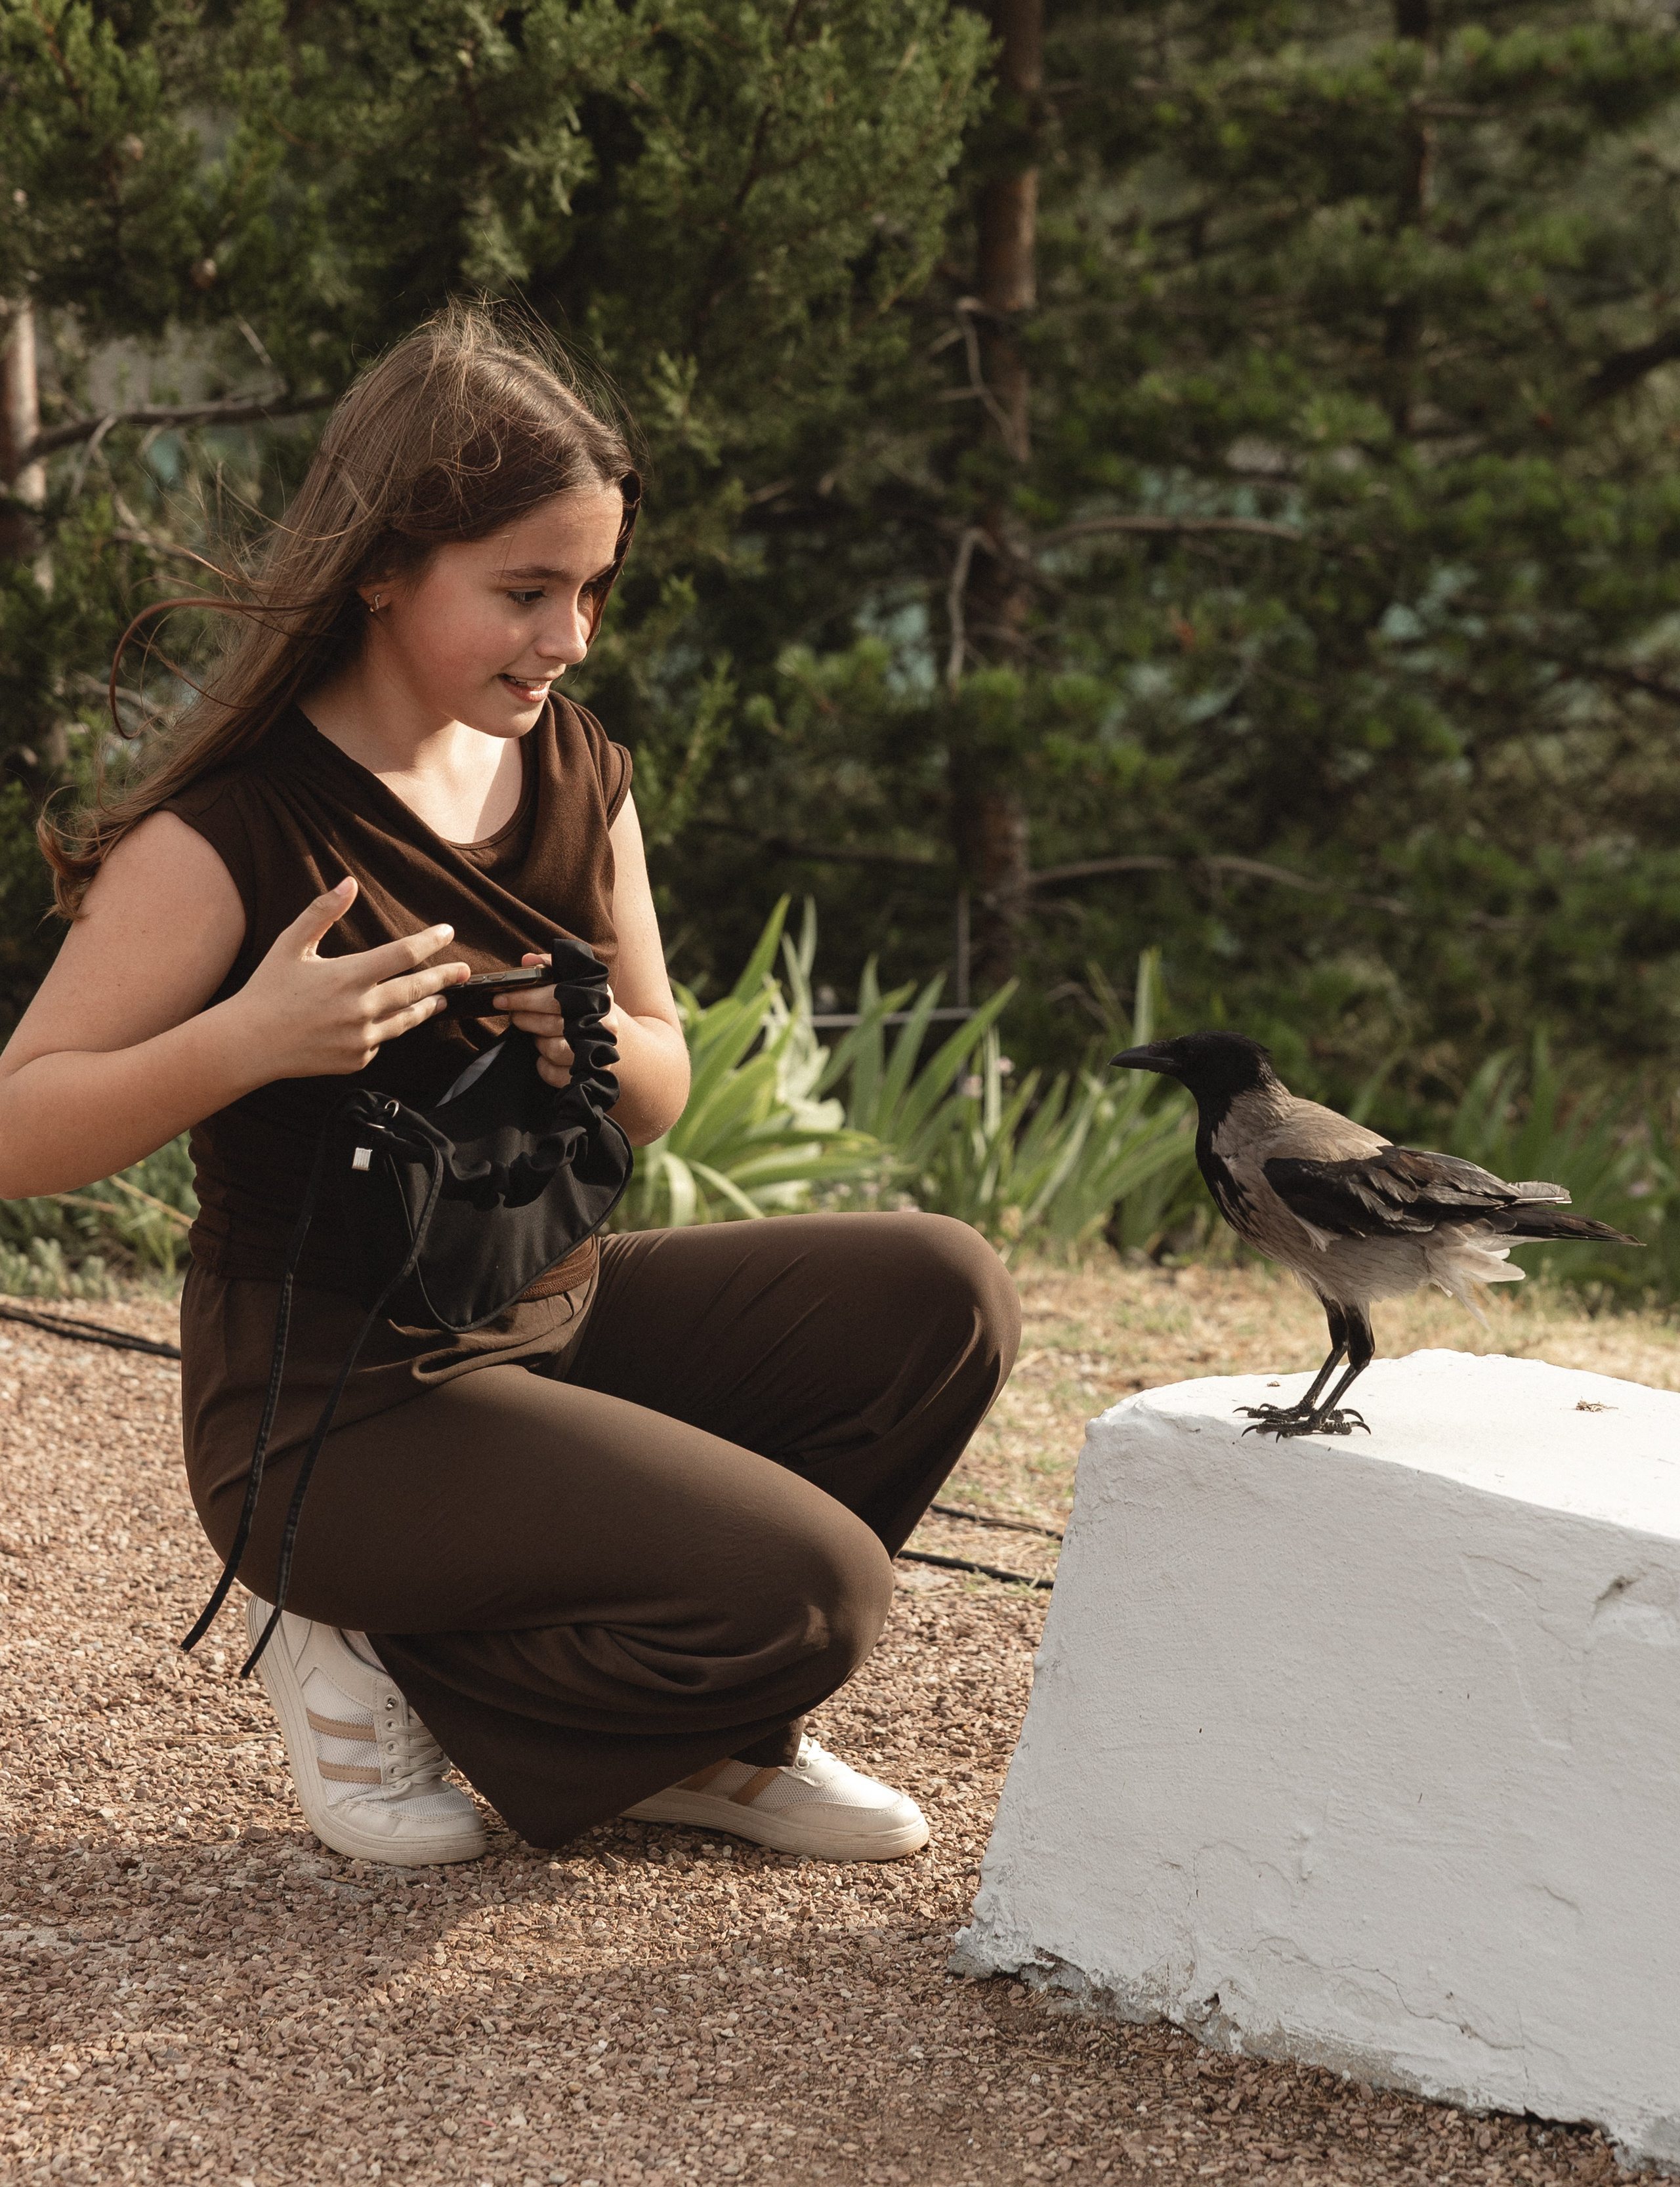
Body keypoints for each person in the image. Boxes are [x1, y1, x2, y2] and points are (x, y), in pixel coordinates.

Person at [0, 305, 1020, 1869]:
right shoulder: (228, 835)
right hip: (335, 1412)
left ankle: (696, 1741)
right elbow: (17, 1127)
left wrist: (590, 1041)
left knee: (942, 1291)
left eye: (590, 590)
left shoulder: (573, 765)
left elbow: (663, 1077)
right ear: (383, 568)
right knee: (817, 1589)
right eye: (526, 592)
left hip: (553, 1312)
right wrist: (246, 1041)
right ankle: (350, 1622)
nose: (570, 637)